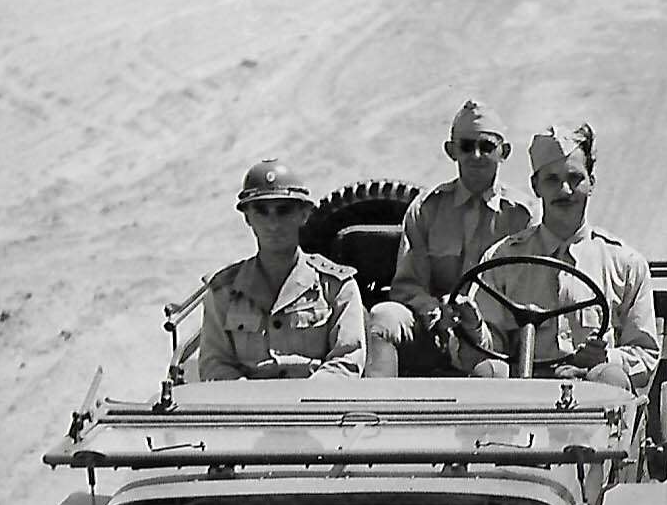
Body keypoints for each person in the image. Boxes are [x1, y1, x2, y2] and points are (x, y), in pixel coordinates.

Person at [447, 124, 659, 390]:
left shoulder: (624, 264)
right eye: (552, 180)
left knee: (611, 379)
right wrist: (473, 326)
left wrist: (606, 357)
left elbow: (646, 354)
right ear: (535, 186)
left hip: (589, 399)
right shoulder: (503, 258)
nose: (565, 191)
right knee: (486, 374)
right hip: (519, 395)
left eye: (575, 178)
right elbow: (487, 351)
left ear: (591, 183)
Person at [364, 97, 534, 377]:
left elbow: (531, 292)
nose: (476, 155)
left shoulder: (524, 216)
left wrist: (477, 322)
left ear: (504, 152)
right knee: (384, 317)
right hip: (433, 329)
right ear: (451, 151)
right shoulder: (427, 208)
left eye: (487, 147)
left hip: (493, 337)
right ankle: (374, 413)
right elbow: (407, 287)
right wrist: (435, 312)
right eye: (466, 146)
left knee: (495, 369)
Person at [199, 159, 364, 380]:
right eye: (261, 211)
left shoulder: (335, 287)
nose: (273, 223)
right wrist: (250, 402)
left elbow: (346, 361)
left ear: (304, 215)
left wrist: (300, 403)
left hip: (314, 408)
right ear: (247, 217)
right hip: (245, 408)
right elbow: (215, 364)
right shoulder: (224, 292)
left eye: (284, 210)